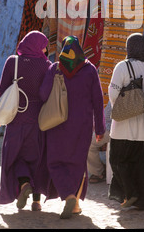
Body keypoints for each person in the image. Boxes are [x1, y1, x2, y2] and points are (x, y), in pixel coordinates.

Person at [39, 35, 105, 219]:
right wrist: (99, 129)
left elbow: (43, 95)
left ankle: (67, 196)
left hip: (57, 124)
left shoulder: (55, 68)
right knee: (77, 163)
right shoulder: (90, 70)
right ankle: (74, 202)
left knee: (55, 162)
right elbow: (98, 101)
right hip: (82, 126)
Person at [108, 33, 144, 210]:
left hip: (124, 126)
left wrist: (124, 108)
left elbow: (113, 93)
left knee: (117, 160)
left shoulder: (122, 67)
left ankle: (131, 192)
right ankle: (141, 201)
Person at [0, 30, 51, 211]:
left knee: (15, 157)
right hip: (38, 121)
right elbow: (47, 94)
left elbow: (3, 90)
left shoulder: (13, 62)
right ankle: (36, 202)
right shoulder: (46, 66)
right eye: (44, 46)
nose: (45, 49)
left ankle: (23, 183)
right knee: (37, 159)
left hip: (15, 119)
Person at [87, 100, 111, 184]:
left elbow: (106, 116)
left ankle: (97, 173)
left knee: (88, 142)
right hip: (109, 128)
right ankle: (98, 172)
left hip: (113, 129)